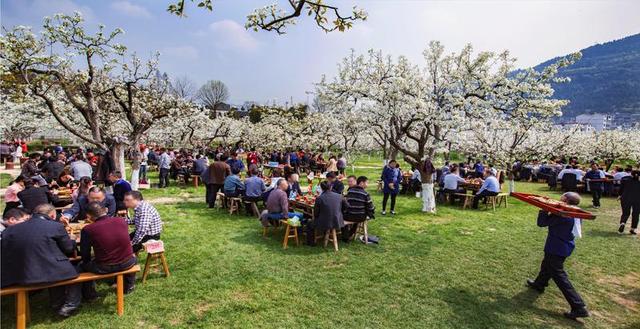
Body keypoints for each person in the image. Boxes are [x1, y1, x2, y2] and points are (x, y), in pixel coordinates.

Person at [1, 204, 81, 317]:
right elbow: (68, 249)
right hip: (49, 272)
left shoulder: (9, 230)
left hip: (21, 275)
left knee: (54, 267)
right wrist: (72, 240)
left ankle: (56, 303)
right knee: (76, 268)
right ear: (53, 215)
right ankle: (70, 304)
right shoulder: (55, 226)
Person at [526, 192, 589, 321]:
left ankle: (578, 306)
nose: (560, 198)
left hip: (557, 246)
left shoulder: (563, 214)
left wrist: (543, 208)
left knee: (558, 274)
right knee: (547, 264)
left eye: (562, 197)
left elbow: (542, 223)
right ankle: (540, 283)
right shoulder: (574, 211)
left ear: (565, 199)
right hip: (564, 245)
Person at [80, 202, 137, 294]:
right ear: (106, 210)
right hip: (129, 262)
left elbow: (85, 253)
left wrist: (87, 263)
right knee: (127, 256)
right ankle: (129, 286)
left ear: (88, 216)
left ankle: (90, 294)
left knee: (81, 265)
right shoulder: (121, 220)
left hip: (105, 267)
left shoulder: (88, 229)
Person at [342, 176, 375, 242]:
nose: (367, 184)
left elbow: (346, 203)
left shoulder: (350, 191)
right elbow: (371, 207)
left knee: (342, 216)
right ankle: (350, 234)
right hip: (360, 217)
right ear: (362, 183)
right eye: (367, 183)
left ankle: (347, 235)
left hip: (348, 216)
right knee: (360, 215)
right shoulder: (365, 194)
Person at [618, 170, 640, 235]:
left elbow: (621, 189)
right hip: (638, 199)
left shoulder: (624, 179)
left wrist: (619, 195)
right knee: (636, 214)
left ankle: (623, 223)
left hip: (625, 198)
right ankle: (632, 229)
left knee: (625, 213)